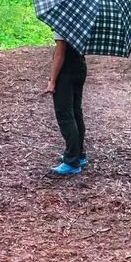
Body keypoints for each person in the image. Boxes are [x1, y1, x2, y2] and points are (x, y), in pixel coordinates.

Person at [46, 36, 87, 175]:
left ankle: (71, 161)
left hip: (66, 73)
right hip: (80, 67)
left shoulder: (65, 22)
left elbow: (59, 55)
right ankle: (79, 154)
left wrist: (52, 81)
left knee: (65, 115)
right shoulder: (82, 21)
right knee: (76, 112)